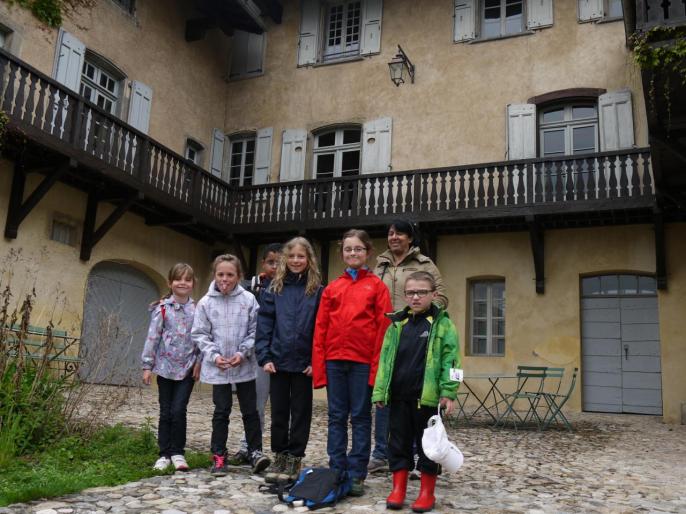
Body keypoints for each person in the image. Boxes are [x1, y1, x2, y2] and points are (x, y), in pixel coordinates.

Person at [312, 229, 393, 497]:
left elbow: (384, 330)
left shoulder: (377, 287)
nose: (353, 253)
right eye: (348, 249)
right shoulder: (333, 287)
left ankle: (357, 472)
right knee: (336, 417)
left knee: (359, 417)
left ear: (368, 252)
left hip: (361, 363)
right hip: (335, 361)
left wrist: (376, 370)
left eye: (358, 249)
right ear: (342, 253)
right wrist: (320, 368)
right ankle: (337, 468)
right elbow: (320, 329)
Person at [372, 271, 460, 513]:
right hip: (399, 397)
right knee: (397, 443)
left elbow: (452, 362)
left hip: (427, 400)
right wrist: (380, 391)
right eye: (411, 292)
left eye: (422, 292)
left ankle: (426, 493)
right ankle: (398, 489)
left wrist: (449, 392)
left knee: (428, 447)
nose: (416, 297)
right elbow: (385, 360)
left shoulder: (443, 325)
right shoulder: (397, 324)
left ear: (434, 294)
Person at [369, 219, 449, 473]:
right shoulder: (379, 266)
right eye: (390, 233)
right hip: (387, 337)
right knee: (385, 394)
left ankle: (421, 455)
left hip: (418, 336)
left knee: (416, 398)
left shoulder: (425, 264)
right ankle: (382, 452)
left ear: (410, 238)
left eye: (400, 233)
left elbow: (442, 297)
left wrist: (422, 319)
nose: (394, 237)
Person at [192, 254, 270, 476]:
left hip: (243, 367)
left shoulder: (248, 300)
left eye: (230, 275)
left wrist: (242, 353)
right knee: (221, 411)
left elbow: (256, 330)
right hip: (219, 368)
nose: (224, 279)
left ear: (238, 276)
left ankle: (255, 452)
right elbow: (199, 333)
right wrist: (214, 356)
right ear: (215, 275)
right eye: (220, 274)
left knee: (250, 411)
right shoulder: (206, 303)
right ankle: (218, 456)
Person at [256, 237, 323, 484]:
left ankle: (295, 456)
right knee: (280, 411)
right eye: (291, 256)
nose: (296, 261)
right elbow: (264, 324)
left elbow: (320, 328)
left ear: (308, 260)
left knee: (301, 411)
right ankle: (280, 454)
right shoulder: (274, 288)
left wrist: (316, 361)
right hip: (278, 361)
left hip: (304, 363)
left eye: (301, 257)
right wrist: (264, 356)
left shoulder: (317, 290)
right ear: (285, 259)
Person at [142, 263, 200, 472]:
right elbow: (153, 337)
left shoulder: (198, 310)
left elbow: (202, 337)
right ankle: (163, 454)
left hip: (186, 369)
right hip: (165, 368)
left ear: (193, 284)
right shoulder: (162, 309)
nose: (182, 283)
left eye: (187, 279)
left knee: (179, 410)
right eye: (178, 279)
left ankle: (178, 452)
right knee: (166, 411)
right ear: (170, 283)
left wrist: (199, 362)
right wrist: (147, 366)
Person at [230, 243, 283, 467]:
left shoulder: (290, 286)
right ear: (263, 263)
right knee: (256, 404)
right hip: (259, 353)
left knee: (282, 408)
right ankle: (249, 447)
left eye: (280, 263)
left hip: (282, 353)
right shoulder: (254, 286)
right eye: (271, 262)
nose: (275, 267)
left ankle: (283, 452)